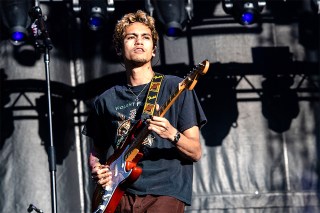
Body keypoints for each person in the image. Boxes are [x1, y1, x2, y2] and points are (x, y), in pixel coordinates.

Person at [82, 10, 207, 213]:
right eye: (131, 37)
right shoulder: (106, 100)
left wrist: (171, 134)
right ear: (119, 49)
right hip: (119, 194)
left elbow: (195, 151)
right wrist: (98, 169)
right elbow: (96, 152)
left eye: (145, 37)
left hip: (165, 192)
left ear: (153, 50)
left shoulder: (175, 88)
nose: (139, 42)